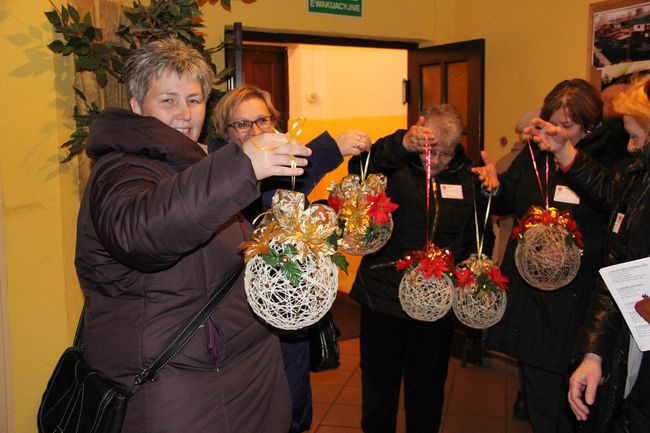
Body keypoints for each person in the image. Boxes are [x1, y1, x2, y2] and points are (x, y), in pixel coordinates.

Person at [75, 37, 312, 433]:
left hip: (234, 375)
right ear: (137, 106)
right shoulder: (121, 168)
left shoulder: (193, 162)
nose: (184, 114)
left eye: (194, 99)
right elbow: (141, 233)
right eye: (168, 99)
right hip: (175, 384)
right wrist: (240, 168)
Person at [208, 84, 371, 433]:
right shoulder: (216, 174)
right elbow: (260, 200)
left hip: (288, 313)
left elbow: (299, 182)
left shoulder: (286, 165)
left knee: (293, 404)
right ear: (226, 133)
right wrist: (331, 146)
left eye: (263, 120)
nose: (256, 131)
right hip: (241, 318)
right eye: (242, 124)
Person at [475, 79, 629, 433]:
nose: (558, 132)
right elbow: (506, 201)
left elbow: (612, 204)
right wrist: (491, 187)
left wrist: (567, 155)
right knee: (540, 402)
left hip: (579, 301)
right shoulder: (534, 155)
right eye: (553, 122)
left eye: (568, 125)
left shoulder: (612, 160)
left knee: (576, 408)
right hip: (533, 301)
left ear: (591, 125)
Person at [349, 105, 493, 433]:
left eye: (446, 152)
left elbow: (476, 236)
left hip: (435, 302)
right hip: (383, 296)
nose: (437, 160)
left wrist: (470, 274)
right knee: (378, 389)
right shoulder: (395, 165)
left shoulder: (467, 178)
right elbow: (358, 167)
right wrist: (401, 143)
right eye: (431, 151)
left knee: (426, 392)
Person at [528, 79, 650, 433]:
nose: (629, 147)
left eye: (637, 137)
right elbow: (612, 192)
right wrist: (594, 354)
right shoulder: (640, 176)